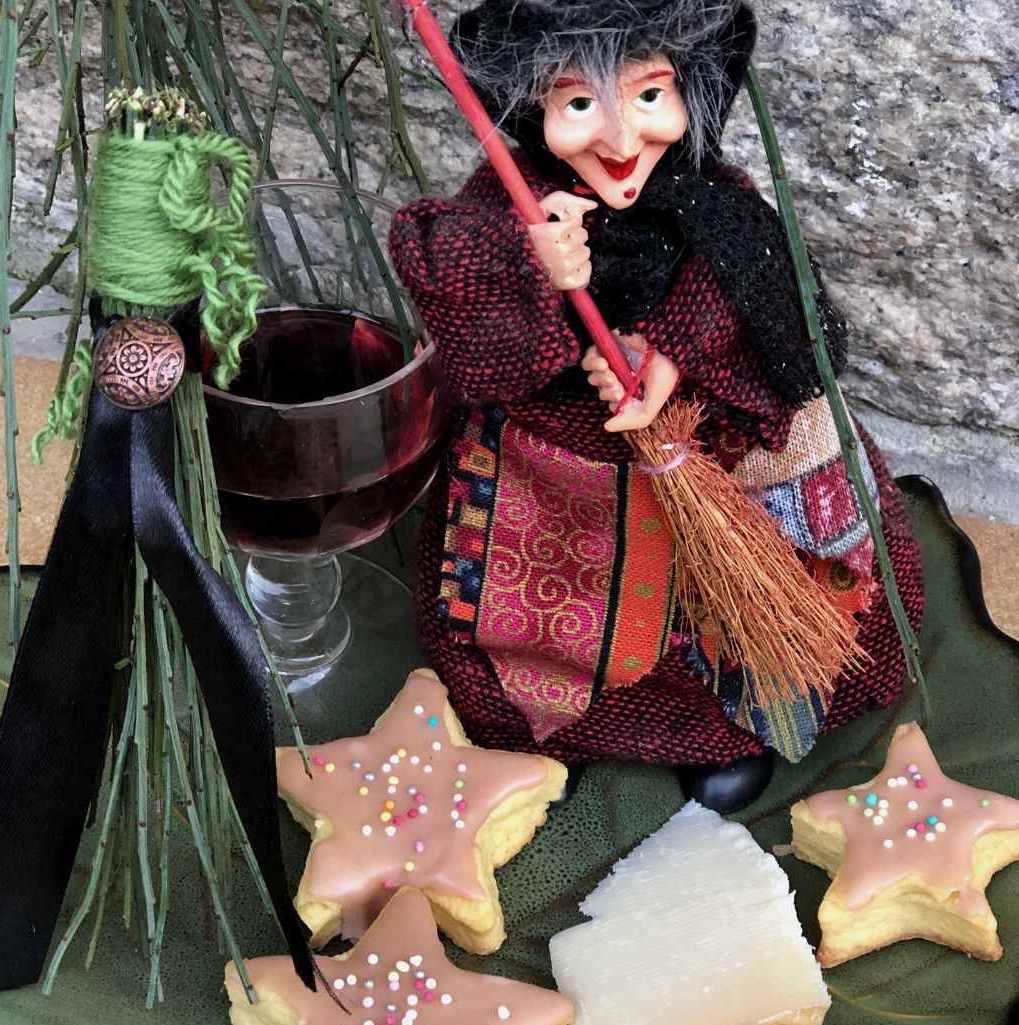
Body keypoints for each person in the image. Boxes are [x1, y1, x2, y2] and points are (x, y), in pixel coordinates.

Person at [388, 0, 923, 811]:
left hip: (705, 446)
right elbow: (448, 274)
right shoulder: (512, 199)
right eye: (578, 103)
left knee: (714, 613)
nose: (619, 138)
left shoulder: (714, 192)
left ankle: (722, 726)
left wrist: (668, 356)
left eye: (648, 95)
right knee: (552, 602)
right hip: (560, 465)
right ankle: (549, 727)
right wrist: (532, 263)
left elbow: (758, 281)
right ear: (533, 106)